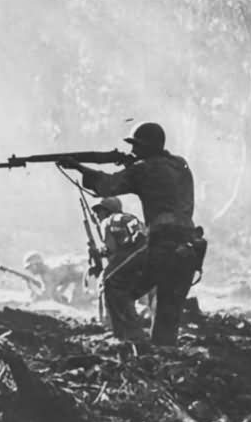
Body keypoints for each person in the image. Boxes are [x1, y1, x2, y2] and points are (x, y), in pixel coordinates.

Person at [58, 122, 205, 346]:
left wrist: (78, 167)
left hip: (162, 246)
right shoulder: (180, 165)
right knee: (168, 312)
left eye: (137, 146)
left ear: (148, 146)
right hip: (189, 248)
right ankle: (162, 360)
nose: (133, 151)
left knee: (114, 285)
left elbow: (107, 185)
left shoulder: (143, 169)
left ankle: (132, 344)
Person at [91, 197, 149, 336]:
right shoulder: (130, 218)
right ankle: (138, 323)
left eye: (99, 211)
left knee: (105, 282)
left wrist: (97, 251)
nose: (97, 215)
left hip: (132, 255)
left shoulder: (108, 221)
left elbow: (111, 249)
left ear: (107, 211)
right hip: (149, 258)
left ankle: (109, 324)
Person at [23, 251, 87, 305]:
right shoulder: (47, 269)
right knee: (58, 298)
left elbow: (47, 295)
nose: (29, 271)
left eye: (29, 267)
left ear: (35, 265)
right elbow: (66, 279)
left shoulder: (49, 273)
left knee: (78, 304)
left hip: (86, 273)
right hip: (81, 273)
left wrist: (32, 301)